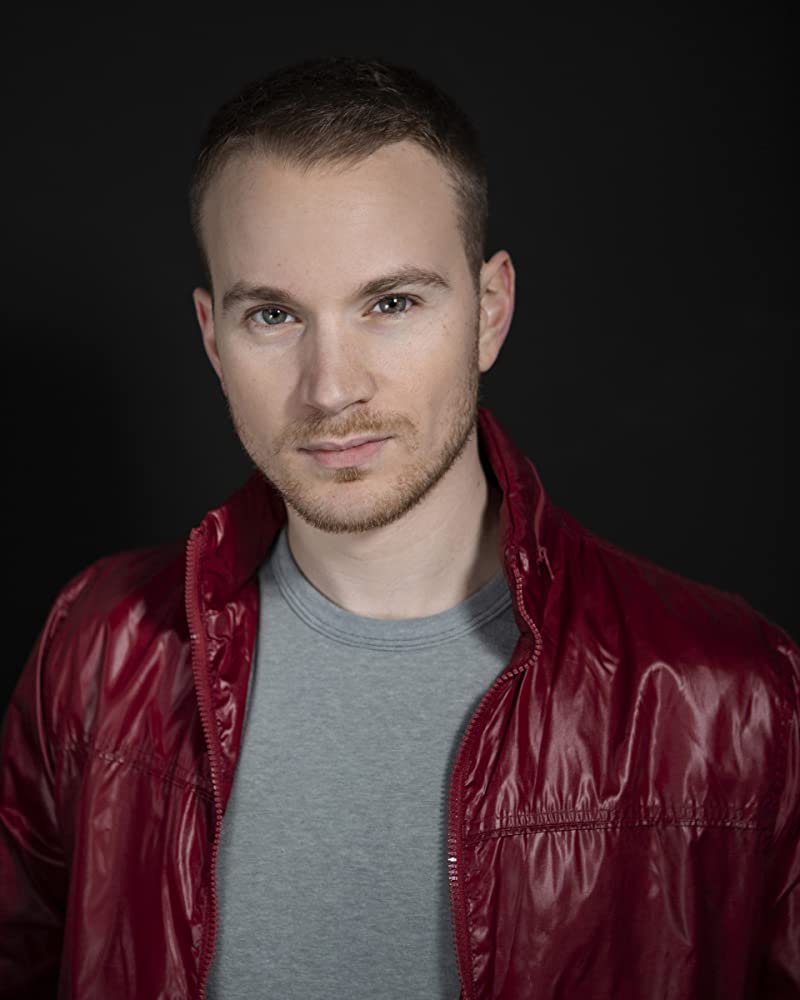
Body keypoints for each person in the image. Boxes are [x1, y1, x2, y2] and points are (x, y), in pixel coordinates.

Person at [0, 55, 797, 1000]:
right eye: (273, 315)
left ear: (490, 313)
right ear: (213, 337)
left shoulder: (738, 697)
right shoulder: (98, 647)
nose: (331, 387)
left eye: (391, 303)